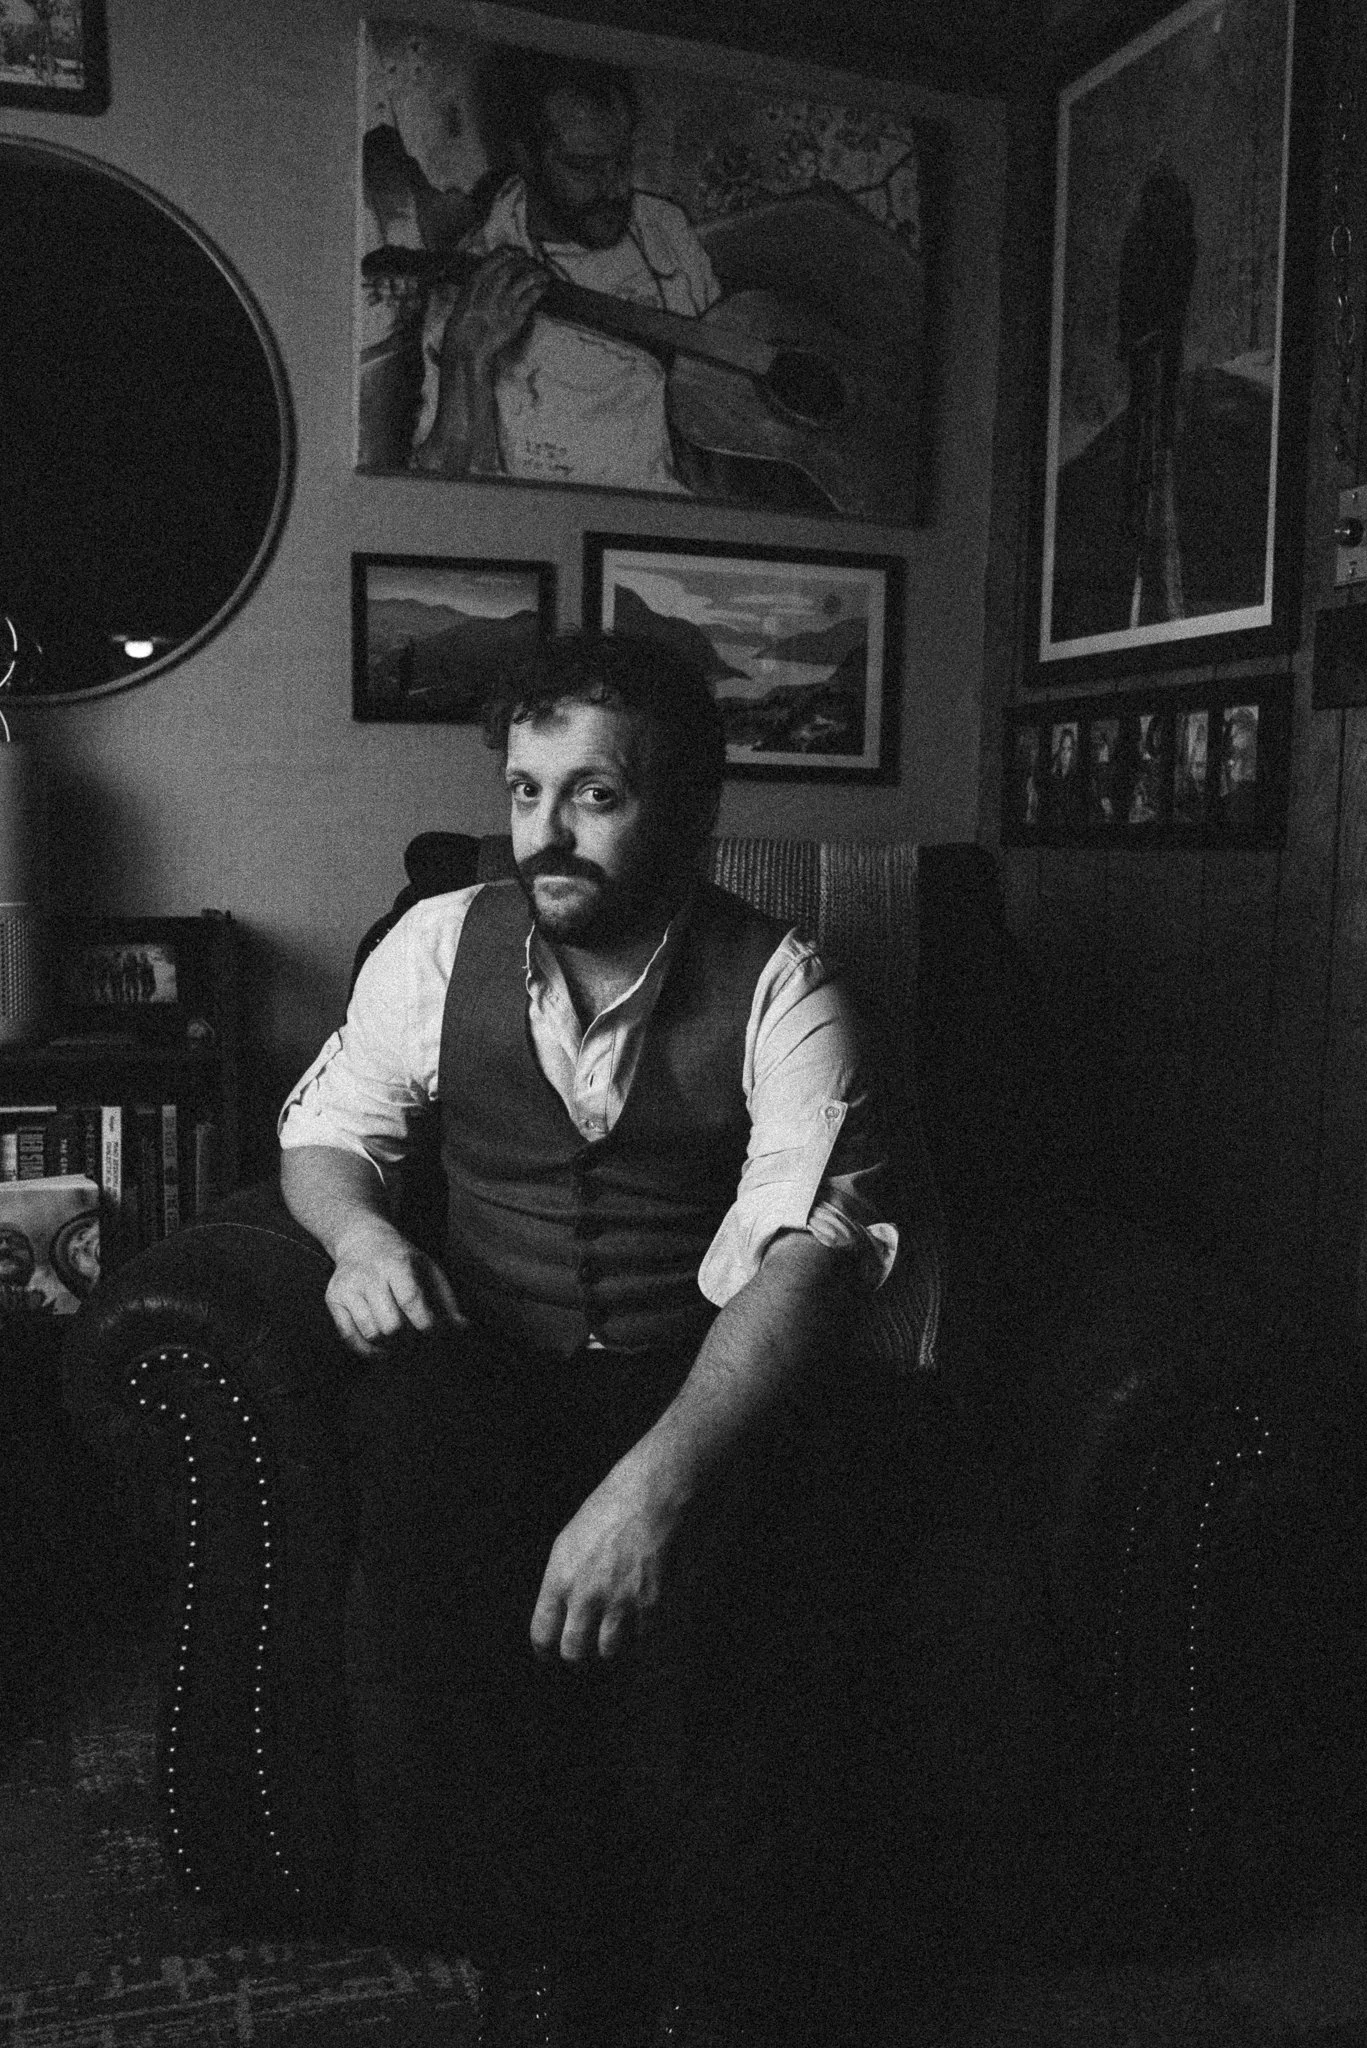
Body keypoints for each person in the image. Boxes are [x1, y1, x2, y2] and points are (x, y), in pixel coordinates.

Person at [278, 630, 899, 2047]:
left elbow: (809, 1258)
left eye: (594, 795)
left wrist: (651, 1489)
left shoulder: (781, 985)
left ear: (689, 807)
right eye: (523, 790)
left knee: (766, 1555)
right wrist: (363, 1239)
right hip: (484, 1360)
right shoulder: (438, 945)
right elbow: (325, 1131)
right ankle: (541, 1949)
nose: (544, 833)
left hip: (690, 1378)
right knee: (422, 1458)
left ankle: (720, 1976)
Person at [409, 51, 720, 492]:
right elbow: (439, 493)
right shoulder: (473, 282)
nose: (617, 189)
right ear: (526, 156)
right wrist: (467, 356)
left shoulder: (664, 226)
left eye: (622, 160)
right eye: (584, 167)